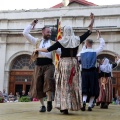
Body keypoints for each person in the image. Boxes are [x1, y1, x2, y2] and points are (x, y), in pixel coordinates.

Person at [34, 13, 94, 114]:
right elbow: (89, 31)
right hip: (74, 64)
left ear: (64, 32)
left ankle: (64, 106)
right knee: (73, 85)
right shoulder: (77, 39)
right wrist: (92, 21)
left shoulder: (61, 41)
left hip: (64, 64)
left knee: (63, 85)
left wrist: (37, 49)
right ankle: (73, 104)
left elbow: (47, 49)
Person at [23, 20, 61, 112]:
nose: (49, 33)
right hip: (38, 65)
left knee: (48, 80)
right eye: (48, 32)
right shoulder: (36, 41)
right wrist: (32, 24)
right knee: (37, 85)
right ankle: (42, 105)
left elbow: (60, 52)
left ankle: (48, 101)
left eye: (50, 32)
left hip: (49, 64)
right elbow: (25, 33)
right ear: (43, 32)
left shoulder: (53, 43)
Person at [77, 30, 105, 111]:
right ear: (92, 44)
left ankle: (84, 101)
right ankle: (90, 106)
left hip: (84, 72)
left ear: (86, 44)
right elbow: (102, 46)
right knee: (93, 88)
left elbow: (77, 59)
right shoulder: (94, 52)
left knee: (84, 87)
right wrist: (99, 37)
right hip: (93, 72)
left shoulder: (81, 53)